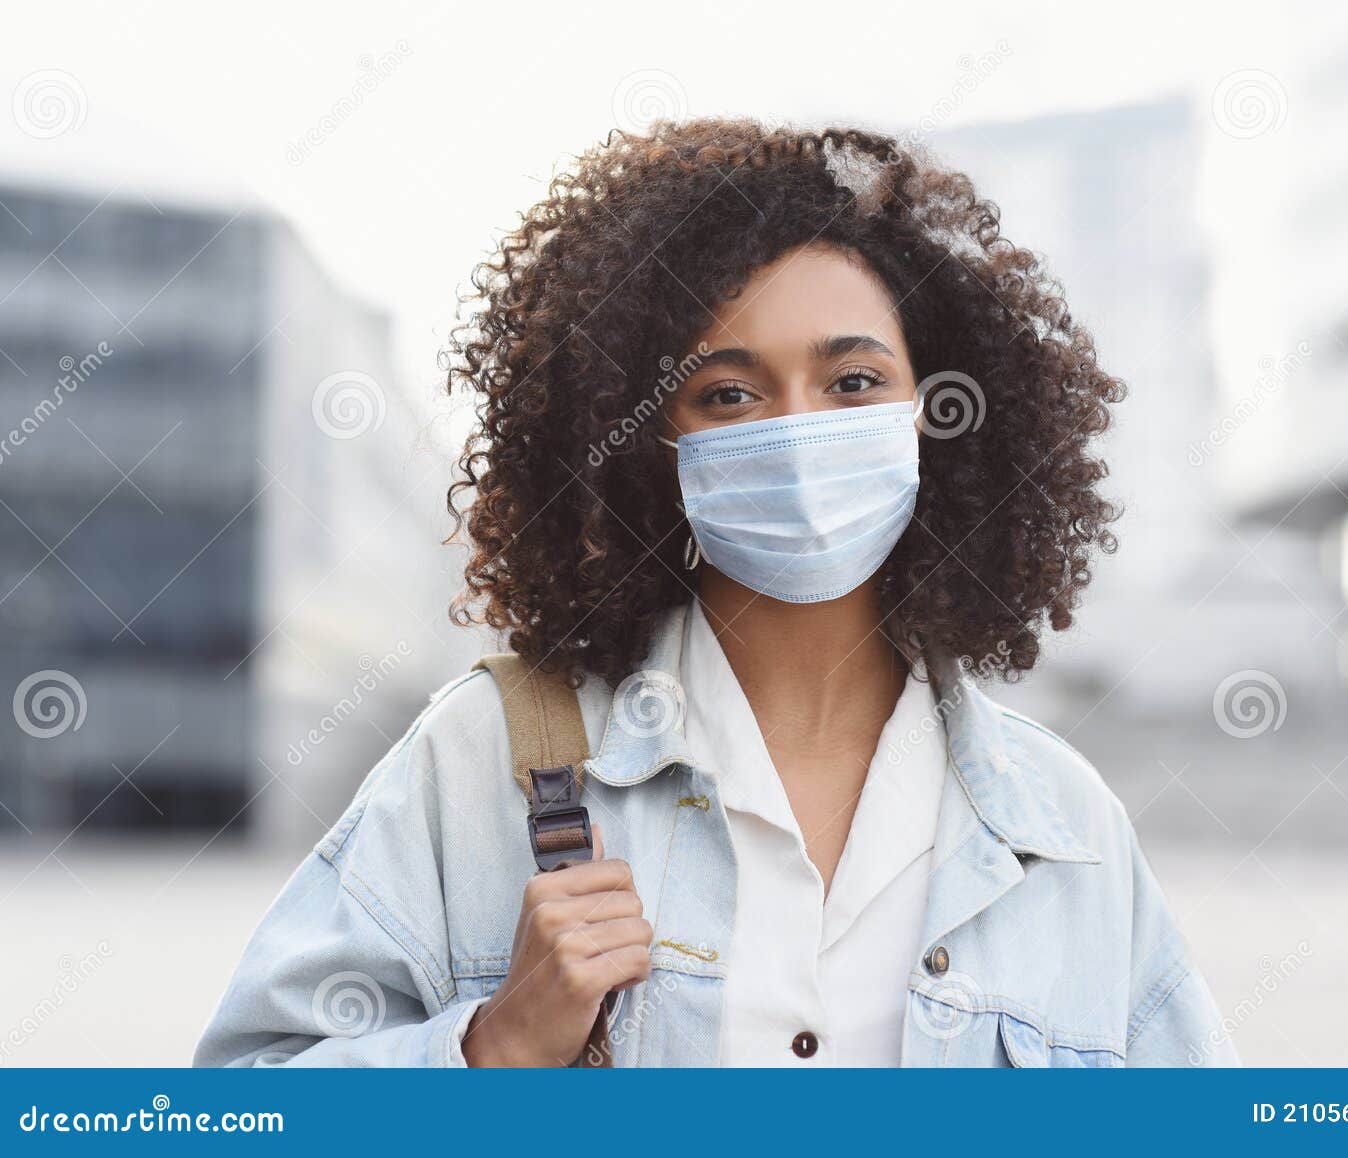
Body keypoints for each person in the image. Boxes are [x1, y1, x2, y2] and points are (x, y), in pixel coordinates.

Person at [195, 119, 1237, 1068]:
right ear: (647, 443)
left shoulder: (1063, 829)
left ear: (938, 412)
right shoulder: (481, 764)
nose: (795, 429)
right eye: (728, 393)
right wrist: (491, 1050)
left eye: (853, 382)